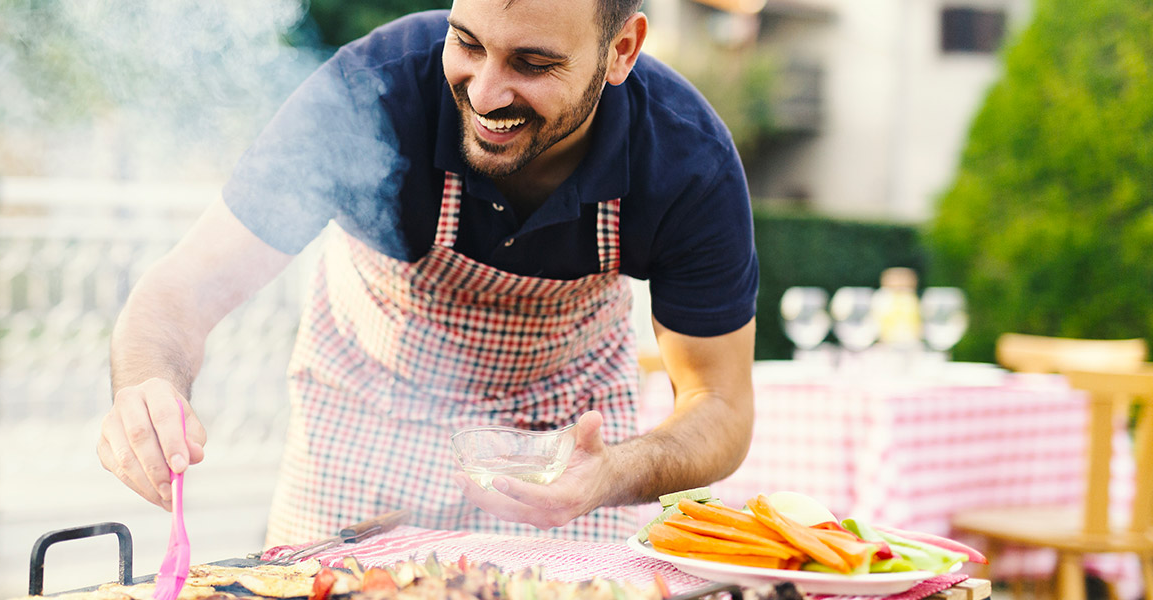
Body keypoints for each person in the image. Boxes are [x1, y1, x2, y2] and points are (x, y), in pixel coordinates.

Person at [98, 0, 759, 546]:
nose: (486, 92)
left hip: (563, 453)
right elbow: (177, 296)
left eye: (532, 63)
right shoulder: (369, 93)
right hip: (364, 420)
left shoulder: (685, 161)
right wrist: (146, 389)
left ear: (621, 51)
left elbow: (720, 407)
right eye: (467, 43)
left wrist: (611, 473)